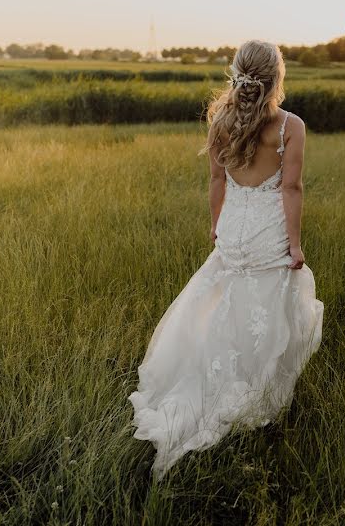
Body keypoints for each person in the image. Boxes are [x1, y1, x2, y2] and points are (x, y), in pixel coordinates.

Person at [128, 40, 324, 482]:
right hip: (268, 235)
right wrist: (294, 246)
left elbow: (217, 180)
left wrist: (217, 226)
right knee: (266, 311)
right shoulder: (292, 126)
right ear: (277, 77)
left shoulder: (220, 120)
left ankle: (214, 380)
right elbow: (290, 190)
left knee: (225, 305)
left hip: (235, 232)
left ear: (235, 73)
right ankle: (249, 388)